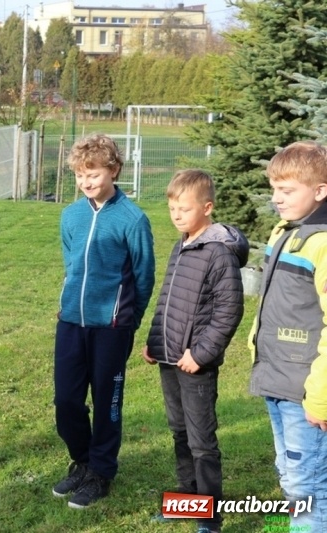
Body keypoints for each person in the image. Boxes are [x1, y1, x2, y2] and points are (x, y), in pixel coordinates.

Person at [51, 133, 155, 508]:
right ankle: (82, 460)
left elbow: (143, 277)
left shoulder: (132, 219)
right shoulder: (71, 215)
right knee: (66, 402)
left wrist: (128, 321)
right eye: (80, 175)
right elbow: (70, 262)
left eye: (93, 174)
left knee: (108, 403)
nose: (86, 182)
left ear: (114, 170)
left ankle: (101, 473)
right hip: (71, 324)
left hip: (112, 329)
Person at [142, 170, 248, 533]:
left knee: (202, 441)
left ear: (207, 207)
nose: (176, 215)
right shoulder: (182, 245)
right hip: (169, 358)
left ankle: (209, 518)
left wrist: (201, 354)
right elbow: (170, 299)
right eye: (172, 208)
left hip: (195, 365)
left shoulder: (219, 253)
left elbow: (228, 311)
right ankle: (186, 502)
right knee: (179, 432)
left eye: (184, 209)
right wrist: (155, 342)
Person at [248, 140, 327, 531]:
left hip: (306, 390)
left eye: (288, 190)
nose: (277, 198)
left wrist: (321, 397)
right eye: (274, 189)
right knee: (290, 473)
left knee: (307, 486)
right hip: (277, 378)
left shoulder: (322, 242)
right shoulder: (287, 231)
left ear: (320, 190)